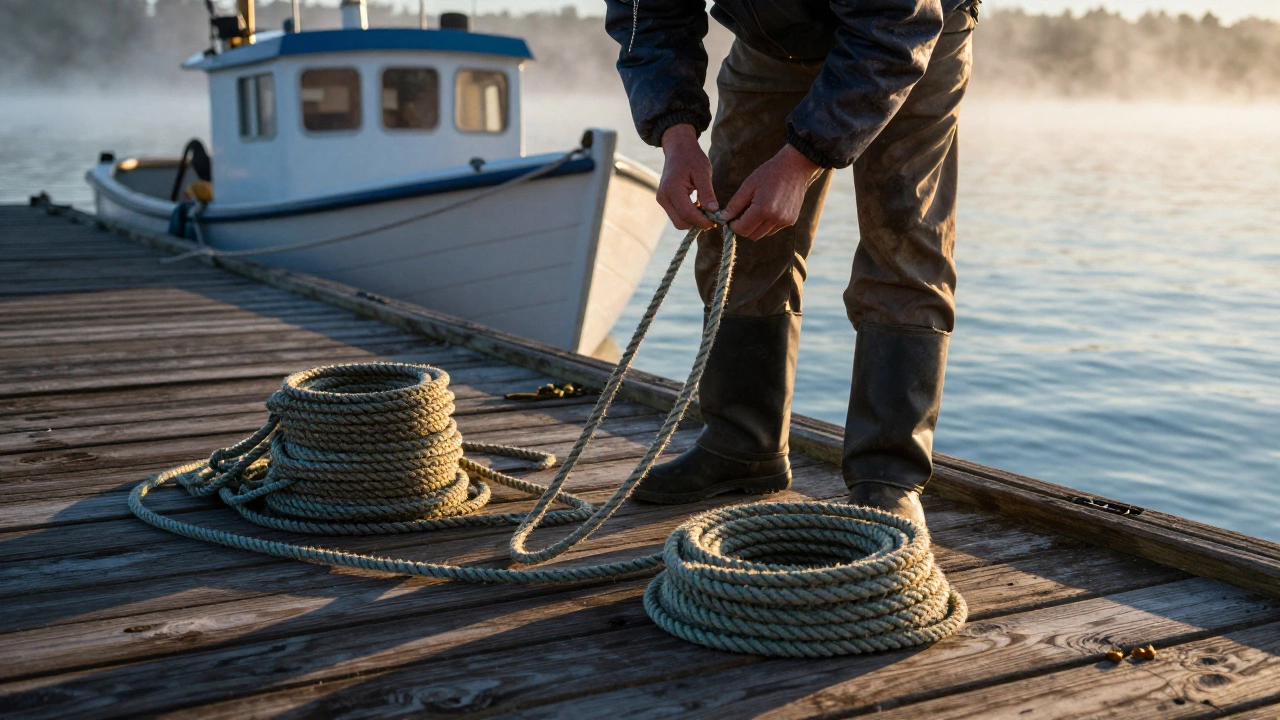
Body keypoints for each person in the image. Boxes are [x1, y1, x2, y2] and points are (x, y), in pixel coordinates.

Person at [604, 0, 980, 527]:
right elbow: (649, 13)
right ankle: (743, 445)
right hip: (771, 40)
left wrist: (800, 159)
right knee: (733, 225)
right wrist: (676, 133)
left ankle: (888, 476)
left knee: (904, 240)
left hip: (905, 31)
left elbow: (896, 28)